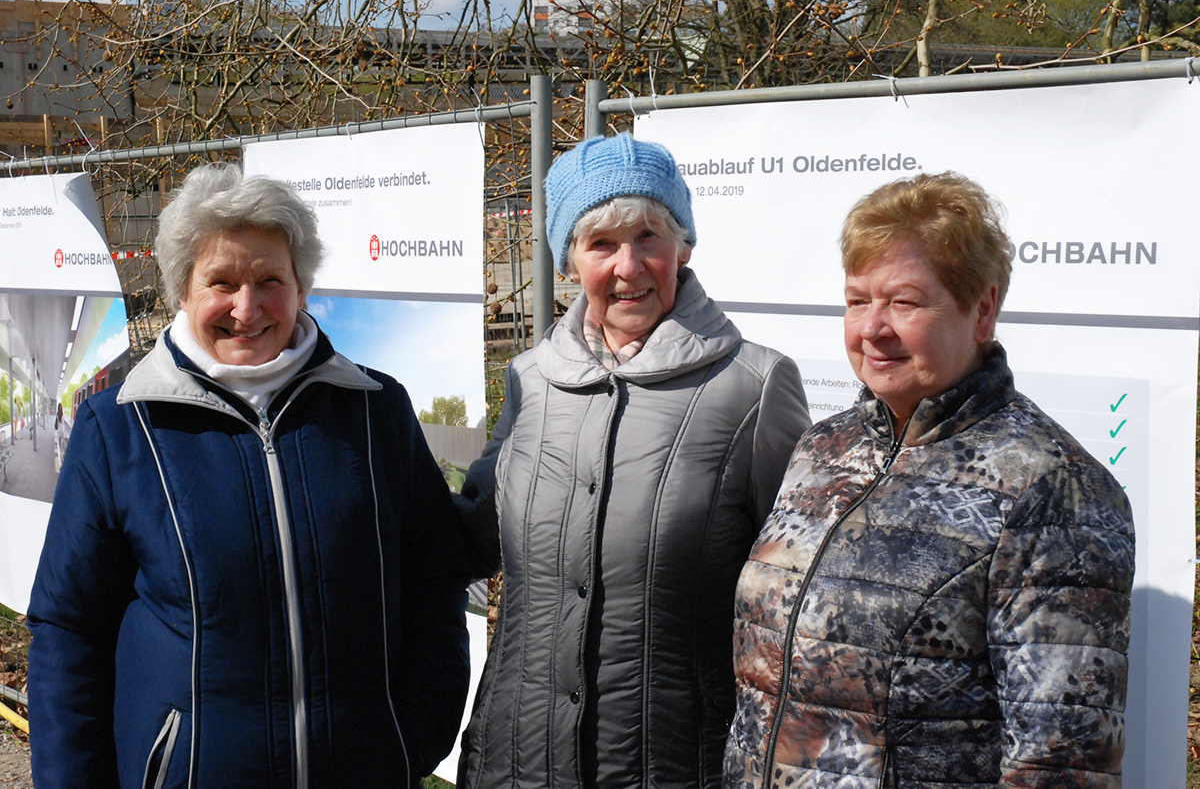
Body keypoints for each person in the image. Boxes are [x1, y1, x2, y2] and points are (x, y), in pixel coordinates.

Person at [27, 163, 470, 789]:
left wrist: (411, 734)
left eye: (270, 280)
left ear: (301, 289)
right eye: (221, 282)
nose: (247, 307)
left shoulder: (375, 411)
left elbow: (434, 574)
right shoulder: (121, 427)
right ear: (184, 289)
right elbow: (70, 630)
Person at [723, 172, 1135, 789]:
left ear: (982, 310)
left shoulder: (1052, 488)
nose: (872, 328)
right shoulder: (825, 446)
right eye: (858, 300)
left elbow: (1060, 759)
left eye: (905, 302)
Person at [455, 133, 811, 789]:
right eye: (600, 244)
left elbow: (803, 597)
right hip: (517, 762)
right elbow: (471, 540)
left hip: (673, 764)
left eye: (648, 236)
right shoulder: (532, 379)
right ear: (568, 261)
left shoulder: (754, 387)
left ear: (684, 246)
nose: (628, 265)